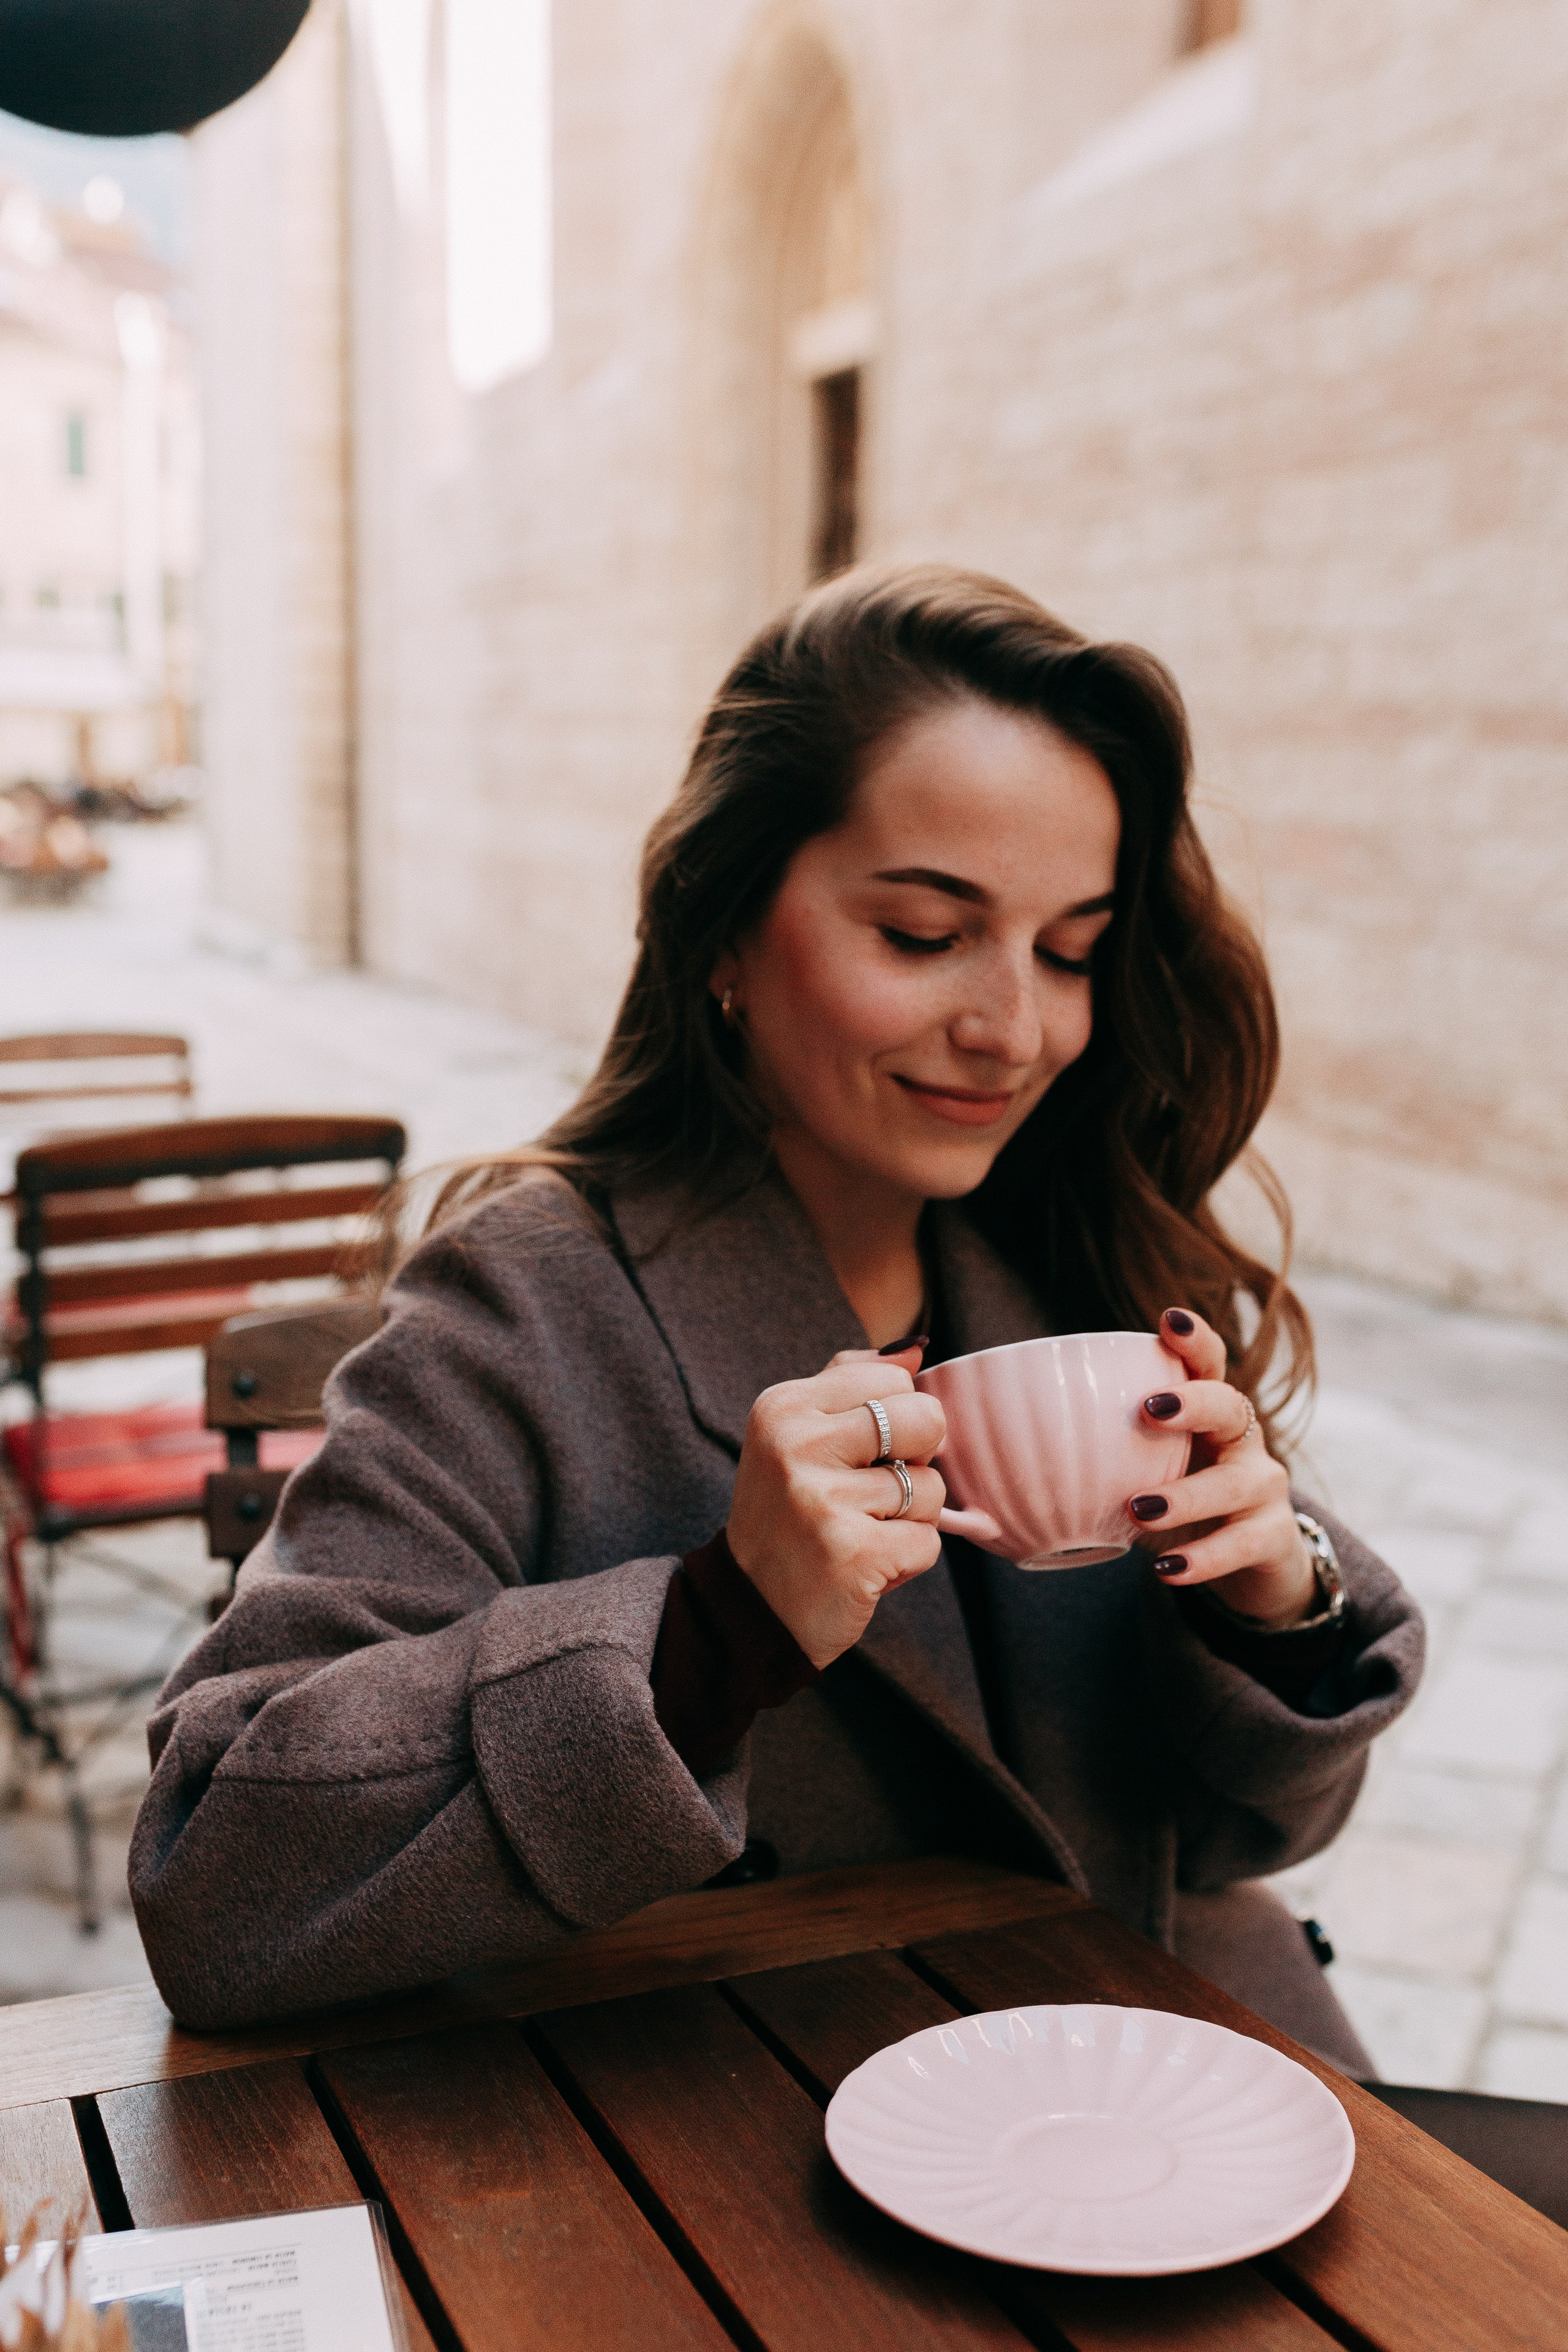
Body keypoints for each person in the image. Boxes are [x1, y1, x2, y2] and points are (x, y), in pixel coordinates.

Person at [130, 564, 1422, 2059]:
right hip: (758, 2177)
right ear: (724, 930)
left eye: (1069, 950)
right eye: (926, 934)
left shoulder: (1079, 1270)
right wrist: (711, 1634)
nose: (1015, 1027)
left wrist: (1275, 1608)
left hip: (1162, 2088)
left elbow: (1240, 1839)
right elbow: (214, 1882)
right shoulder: (525, 1306)